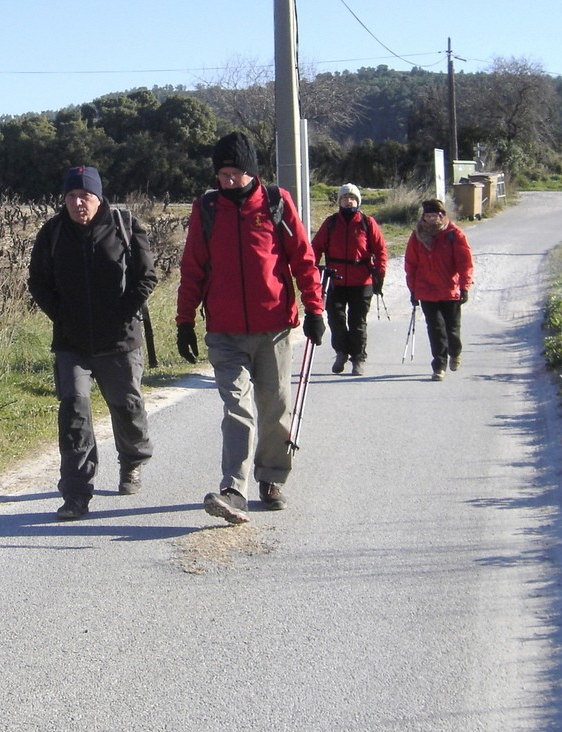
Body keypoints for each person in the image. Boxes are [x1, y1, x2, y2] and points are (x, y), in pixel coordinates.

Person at [176, 131, 325, 524]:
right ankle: (233, 489)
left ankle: (272, 478)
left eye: (235, 174)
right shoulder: (206, 208)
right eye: (221, 174)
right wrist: (184, 320)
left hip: (273, 327)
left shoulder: (276, 203)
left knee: (274, 408)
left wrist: (315, 309)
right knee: (237, 407)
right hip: (224, 332)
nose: (227, 181)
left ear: (252, 173)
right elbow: (193, 268)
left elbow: (303, 259)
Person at [27, 165, 158, 520]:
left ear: (98, 198)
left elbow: (146, 277)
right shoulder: (53, 232)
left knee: (127, 407)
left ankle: (132, 461)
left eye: (84, 195)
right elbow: (37, 281)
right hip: (72, 343)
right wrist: (61, 316)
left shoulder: (124, 226)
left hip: (119, 341)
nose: (77, 203)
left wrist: (123, 314)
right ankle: (76, 494)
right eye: (71, 196)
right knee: (74, 411)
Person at [311, 182, 388, 376]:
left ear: (358, 201)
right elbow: (315, 247)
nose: (348, 201)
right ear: (339, 201)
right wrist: (314, 271)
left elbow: (380, 251)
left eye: (352, 198)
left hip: (361, 281)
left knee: (357, 322)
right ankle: (341, 352)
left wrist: (380, 275)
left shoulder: (367, 222)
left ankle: (358, 358)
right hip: (335, 280)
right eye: (345, 198)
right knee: (335, 320)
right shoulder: (331, 223)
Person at [402, 198, 474, 381]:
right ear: (423, 217)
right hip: (426, 291)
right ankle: (439, 366)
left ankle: (455, 352)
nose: (431, 219)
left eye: (435, 215)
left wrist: (464, 287)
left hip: (450, 290)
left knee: (452, 330)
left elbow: (465, 263)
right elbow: (411, 264)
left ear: (442, 215)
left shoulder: (454, 234)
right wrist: (413, 289)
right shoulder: (417, 235)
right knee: (435, 330)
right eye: (428, 216)